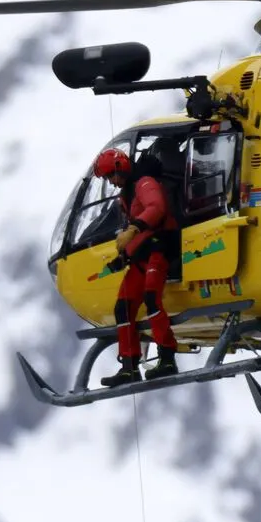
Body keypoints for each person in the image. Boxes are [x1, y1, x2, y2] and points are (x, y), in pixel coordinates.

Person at [93, 146, 183, 388]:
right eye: (108, 178)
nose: (112, 182)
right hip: (142, 255)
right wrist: (124, 257)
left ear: (121, 167)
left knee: (151, 297)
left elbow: (157, 208)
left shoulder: (144, 183)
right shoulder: (128, 194)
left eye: (112, 176)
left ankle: (167, 358)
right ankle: (129, 367)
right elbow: (137, 230)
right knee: (123, 306)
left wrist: (132, 230)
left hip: (160, 248)